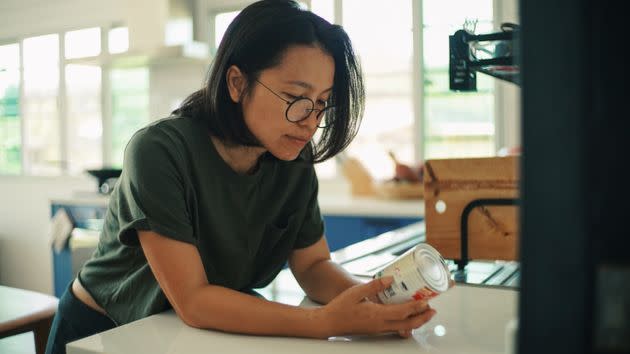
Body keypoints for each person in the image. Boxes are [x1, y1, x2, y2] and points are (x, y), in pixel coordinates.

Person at [45, 1, 436, 352]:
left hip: (192, 333)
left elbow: (314, 267)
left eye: (321, 105)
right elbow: (194, 300)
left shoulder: (292, 161)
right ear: (237, 83)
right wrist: (323, 322)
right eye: (296, 98)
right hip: (103, 332)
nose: (310, 121)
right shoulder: (159, 151)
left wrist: (375, 302)